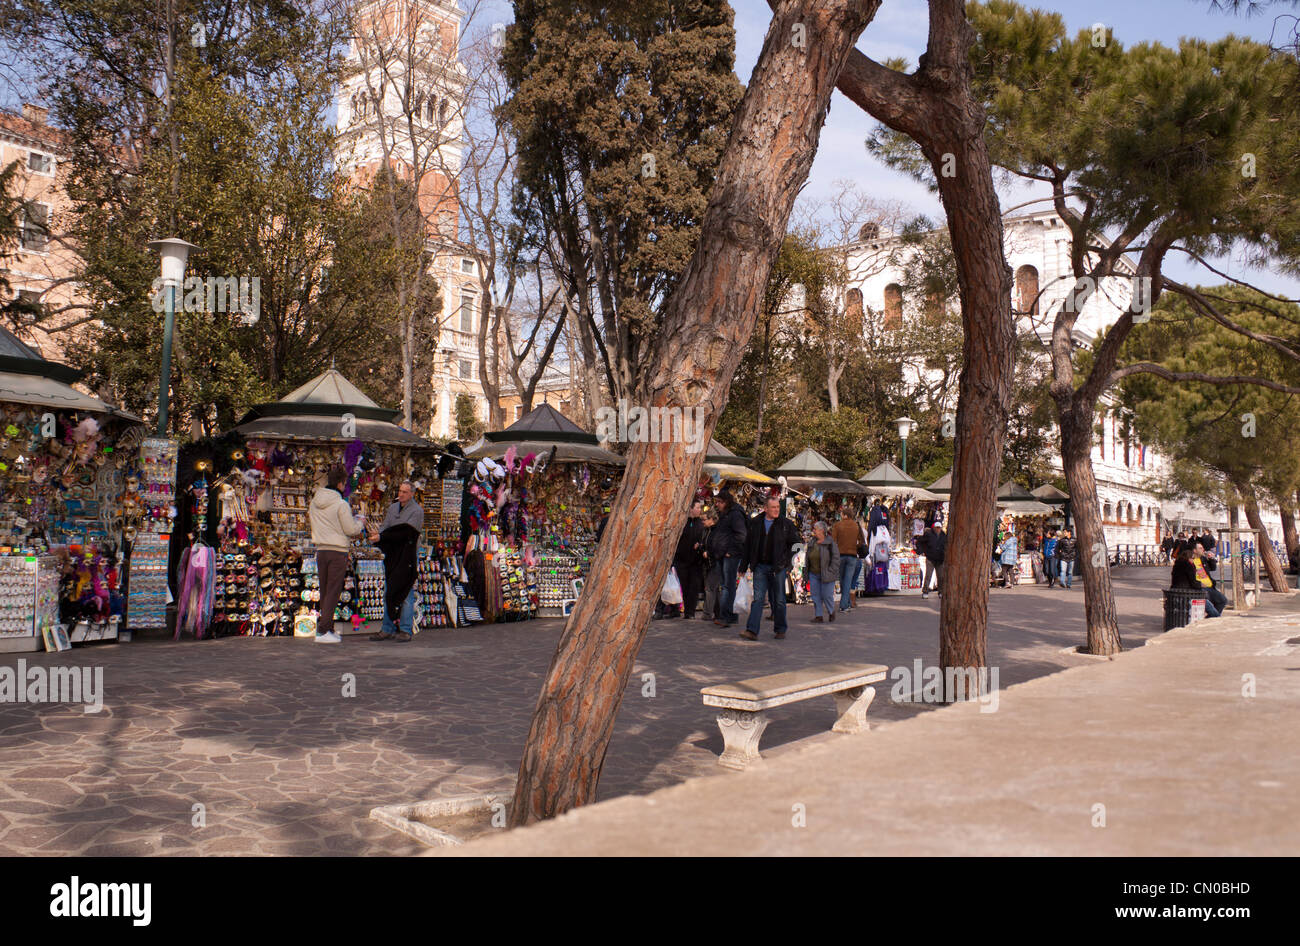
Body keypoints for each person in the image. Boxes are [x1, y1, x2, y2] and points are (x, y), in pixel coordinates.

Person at [308, 464, 366, 643]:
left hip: (321, 550)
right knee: (333, 591)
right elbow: (350, 529)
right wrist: (361, 522)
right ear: (341, 484)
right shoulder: (341, 504)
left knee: (325, 590)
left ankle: (328, 628)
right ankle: (323, 630)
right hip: (337, 551)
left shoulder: (314, 502)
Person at [738, 495, 799, 641]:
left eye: (778, 507)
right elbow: (748, 546)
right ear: (765, 508)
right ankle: (752, 630)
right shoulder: (755, 523)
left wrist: (789, 563)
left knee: (779, 600)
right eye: (773, 507)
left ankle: (780, 629)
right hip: (760, 566)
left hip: (778, 568)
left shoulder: (786, 524)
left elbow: (797, 544)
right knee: (758, 599)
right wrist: (743, 566)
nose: (776, 510)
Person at [368, 480, 422, 642]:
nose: (401, 494)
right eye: (400, 491)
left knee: (405, 592)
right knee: (389, 592)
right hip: (392, 556)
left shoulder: (417, 511)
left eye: (405, 492)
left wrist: (383, 536)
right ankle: (387, 628)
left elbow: (405, 532)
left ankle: (405, 629)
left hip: (407, 555)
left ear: (412, 493)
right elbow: (386, 528)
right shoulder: (393, 508)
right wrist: (377, 536)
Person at [712, 490, 749, 627]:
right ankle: (730, 615)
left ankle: (726, 615)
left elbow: (741, 535)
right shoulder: (725, 514)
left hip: (730, 556)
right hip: (722, 554)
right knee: (726, 585)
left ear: (726, 502)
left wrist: (731, 551)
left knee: (727, 586)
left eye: (719, 502)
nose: (717, 505)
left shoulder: (735, 514)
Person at [673, 500, 706, 619]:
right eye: (697, 508)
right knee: (684, 586)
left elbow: (704, 539)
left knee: (694, 586)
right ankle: (684, 609)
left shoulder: (701, 524)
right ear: (691, 509)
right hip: (682, 560)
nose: (699, 510)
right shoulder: (682, 523)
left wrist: (701, 545)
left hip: (696, 562)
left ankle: (690, 611)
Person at [805, 520, 841, 622]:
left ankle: (831, 611)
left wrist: (831, 570)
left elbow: (836, 558)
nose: (813, 531)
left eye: (815, 529)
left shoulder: (830, 543)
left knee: (827, 595)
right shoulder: (812, 542)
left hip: (826, 573)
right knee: (815, 595)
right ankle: (819, 616)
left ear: (821, 530)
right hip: (813, 573)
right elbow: (808, 557)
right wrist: (806, 572)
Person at [1170, 546, 1220, 618]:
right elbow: (1193, 582)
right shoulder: (1188, 565)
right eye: (1192, 558)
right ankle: (1216, 617)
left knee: (1206, 597)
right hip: (1187, 593)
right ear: (1188, 558)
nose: (1193, 560)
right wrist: (1201, 584)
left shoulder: (1177, 565)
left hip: (1175, 592)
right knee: (1206, 600)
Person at [831, 507, 862, 613]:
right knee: (848, 580)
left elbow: (833, 541)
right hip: (852, 555)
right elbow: (861, 541)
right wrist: (855, 547)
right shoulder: (856, 526)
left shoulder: (837, 525)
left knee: (842, 580)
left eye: (841, 514)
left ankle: (844, 605)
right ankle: (846, 603)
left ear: (844, 515)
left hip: (840, 555)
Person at [1188, 543, 1228, 617]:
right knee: (1208, 603)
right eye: (1200, 548)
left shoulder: (1203, 559)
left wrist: (1211, 559)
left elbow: (1213, 568)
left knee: (1223, 600)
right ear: (1195, 550)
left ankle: (1211, 618)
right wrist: (1199, 584)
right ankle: (1215, 617)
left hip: (1210, 586)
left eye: (1203, 548)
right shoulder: (1190, 561)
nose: (1203, 549)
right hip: (1200, 588)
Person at [701, 508, 722, 621]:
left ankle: (707, 613)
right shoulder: (707, 531)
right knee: (714, 589)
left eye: (704, 520)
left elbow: (718, 546)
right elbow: (706, 543)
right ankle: (718, 612)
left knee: (710, 588)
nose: (702, 522)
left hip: (715, 563)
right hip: (708, 564)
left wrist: (709, 553)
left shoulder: (717, 531)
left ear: (711, 519)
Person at [917, 520, 945, 598]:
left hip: (940, 559)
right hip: (930, 558)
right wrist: (922, 551)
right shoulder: (928, 534)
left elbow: (946, 545)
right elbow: (920, 542)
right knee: (928, 575)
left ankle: (941, 592)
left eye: (939, 528)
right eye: (937, 527)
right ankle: (925, 591)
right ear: (934, 528)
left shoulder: (943, 535)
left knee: (940, 576)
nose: (938, 529)